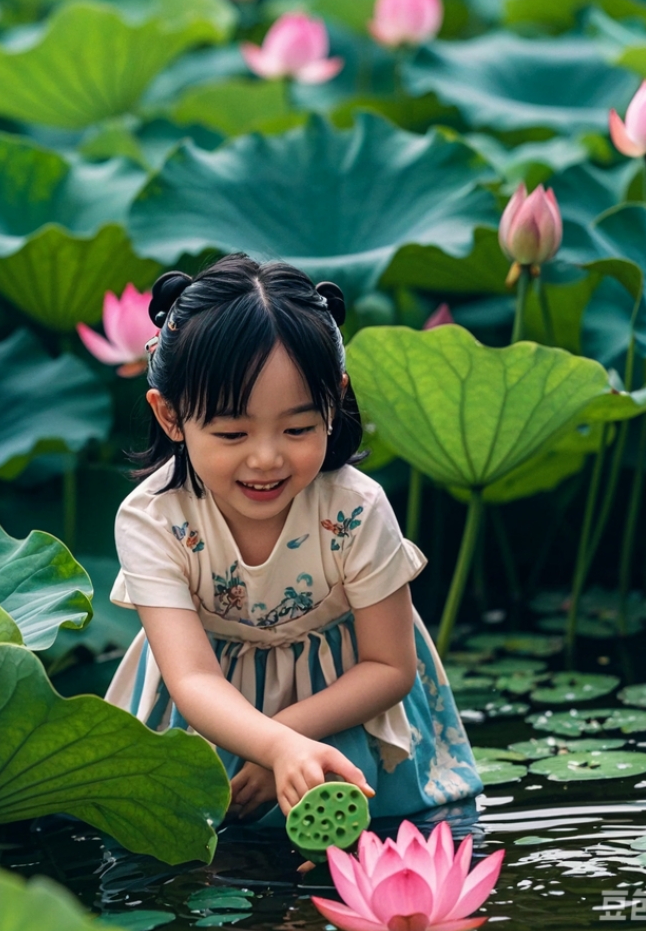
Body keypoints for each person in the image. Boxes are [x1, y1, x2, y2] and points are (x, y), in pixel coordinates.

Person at [104, 254, 482, 823]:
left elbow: (389, 667)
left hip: (345, 708)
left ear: (335, 399)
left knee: (367, 845)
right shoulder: (152, 518)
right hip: (209, 716)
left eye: (298, 428)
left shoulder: (355, 508)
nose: (266, 458)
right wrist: (270, 745)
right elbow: (192, 677)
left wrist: (285, 737)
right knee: (196, 860)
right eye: (232, 432)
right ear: (171, 415)